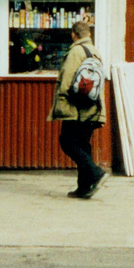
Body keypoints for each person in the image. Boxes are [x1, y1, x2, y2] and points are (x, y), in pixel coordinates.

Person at [51, 20, 107, 198]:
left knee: (67, 142)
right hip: (93, 106)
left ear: (73, 35)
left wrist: (61, 100)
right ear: (88, 34)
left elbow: (67, 79)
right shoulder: (95, 51)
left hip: (75, 107)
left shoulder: (75, 51)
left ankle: (96, 173)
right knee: (83, 144)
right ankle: (84, 187)